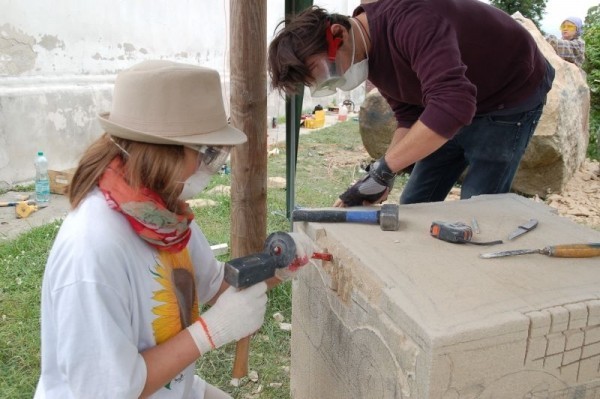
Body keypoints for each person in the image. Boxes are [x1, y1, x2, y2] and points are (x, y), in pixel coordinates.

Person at [34, 60, 300, 399]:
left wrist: (280, 265)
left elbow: (217, 285)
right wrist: (208, 332)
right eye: (205, 153)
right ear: (162, 153)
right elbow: (111, 390)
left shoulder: (163, 218)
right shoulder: (92, 250)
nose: (207, 168)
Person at [268, 0, 555, 207]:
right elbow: (409, 114)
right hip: (458, 99)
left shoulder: (413, 19)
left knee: (478, 208)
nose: (339, 80)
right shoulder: (369, 54)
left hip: (511, 91)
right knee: (415, 204)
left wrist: (385, 167)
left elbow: (454, 104)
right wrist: (380, 178)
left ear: (337, 35)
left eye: (328, 72)